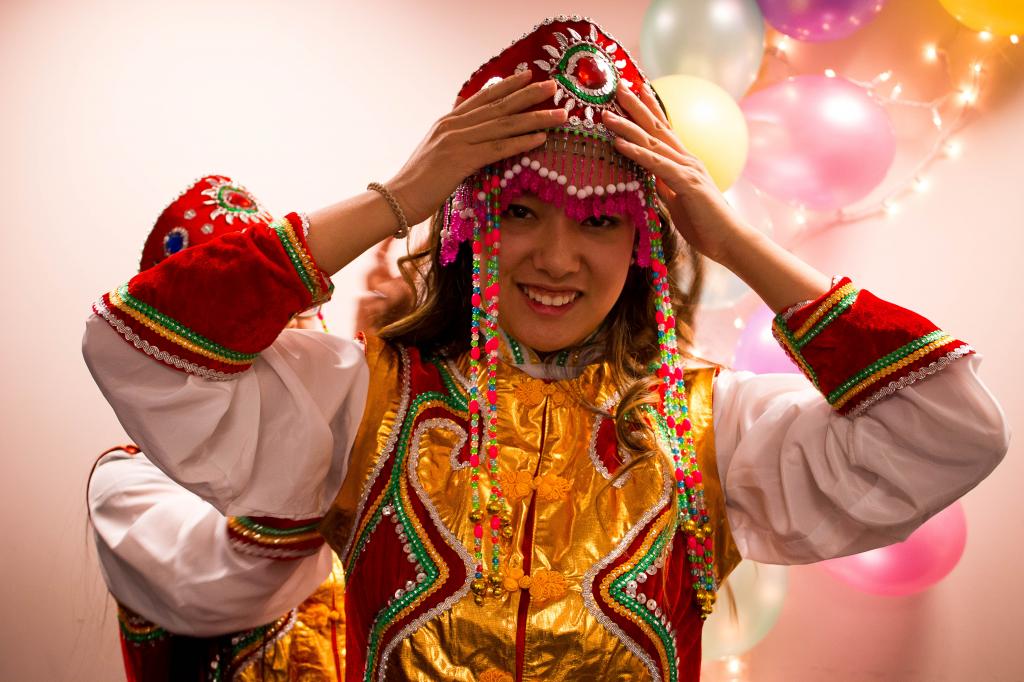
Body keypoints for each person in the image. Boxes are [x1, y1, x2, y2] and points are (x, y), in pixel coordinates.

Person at [83, 16, 1008, 682]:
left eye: (601, 221)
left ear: (646, 242)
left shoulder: (711, 428)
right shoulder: (357, 401)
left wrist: (731, 240)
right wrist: (398, 196)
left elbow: (951, 429)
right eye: (520, 209)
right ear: (469, 221)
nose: (556, 257)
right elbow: (141, 351)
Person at [87, 181, 345, 681]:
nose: (287, 345)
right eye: (244, 330)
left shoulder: (351, 462)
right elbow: (237, 576)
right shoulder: (126, 487)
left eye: (297, 316)